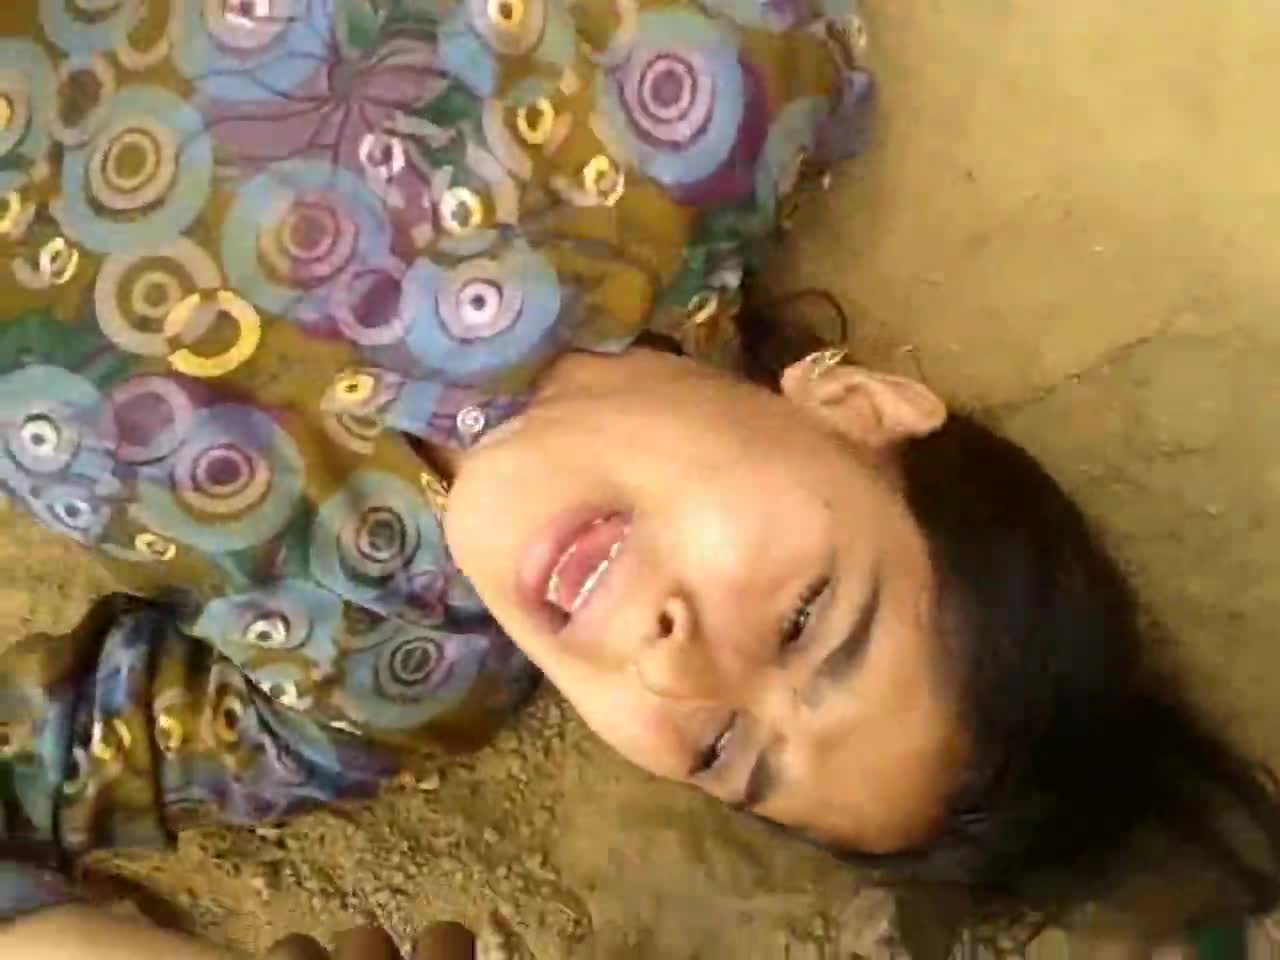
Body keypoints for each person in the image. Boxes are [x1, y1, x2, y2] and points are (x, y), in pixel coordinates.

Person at [0, 0, 1277, 956]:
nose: (678, 668)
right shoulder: (712, 72)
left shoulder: (374, 682)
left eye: (721, 747)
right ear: (858, 410)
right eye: (804, 620)